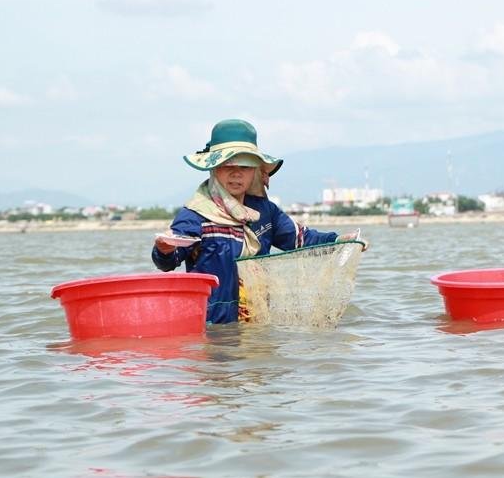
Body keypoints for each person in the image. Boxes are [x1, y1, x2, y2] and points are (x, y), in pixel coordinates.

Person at [153, 119, 366, 324]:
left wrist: (339, 240)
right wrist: (164, 249)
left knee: (261, 360)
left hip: (256, 322)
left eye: (245, 167)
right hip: (212, 325)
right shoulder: (196, 214)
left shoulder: (265, 211)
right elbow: (168, 262)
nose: (236, 174)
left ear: (255, 171)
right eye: (228, 165)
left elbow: (302, 239)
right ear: (214, 169)